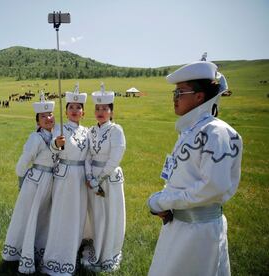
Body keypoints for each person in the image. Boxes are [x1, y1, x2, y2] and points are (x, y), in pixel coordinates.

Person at [147, 61, 243, 276]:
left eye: (180, 92)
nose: (174, 98)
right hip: (178, 226)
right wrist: (165, 201)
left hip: (200, 233)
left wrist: (162, 201)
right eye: (174, 92)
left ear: (199, 96)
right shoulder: (190, 131)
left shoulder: (216, 133)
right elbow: (181, 177)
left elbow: (213, 188)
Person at [2, 93, 57, 274]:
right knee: (30, 215)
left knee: (43, 217)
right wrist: (23, 178)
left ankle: (39, 249)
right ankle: (23, 253)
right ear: (38, 121)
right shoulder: (36, 138)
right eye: (43, 116)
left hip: (51, 181)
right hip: (36, 181)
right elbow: (24, 161)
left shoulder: (56, 135)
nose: (48, 118)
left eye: (50, 115)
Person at [41, 84, 89, 275]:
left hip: (81, 179)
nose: (75, 110)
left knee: (78, 214)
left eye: (78, 108)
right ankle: (56, 257)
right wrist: (56, 143)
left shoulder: (87, 132)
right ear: (66, 110)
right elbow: (53, 148)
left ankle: (73, 251)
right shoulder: (59, 127)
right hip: (64, 177)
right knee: (62, 214)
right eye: (71, 107)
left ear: (83, 112)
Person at [81, 83, 126, 272]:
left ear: (111, 111)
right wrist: (90, 175)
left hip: (108, 179)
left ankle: (107, 250)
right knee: (96, 215)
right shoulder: (91, 131)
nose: (100, 111)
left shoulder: (116, 131)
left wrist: (98, 179)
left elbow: (115, 157)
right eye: (97, 108)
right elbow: (87, 155)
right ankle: (95, 243)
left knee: (109, 214)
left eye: (105, 108)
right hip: (93, 180)